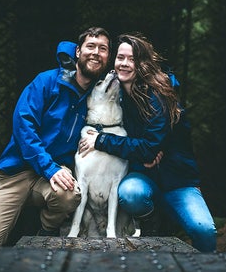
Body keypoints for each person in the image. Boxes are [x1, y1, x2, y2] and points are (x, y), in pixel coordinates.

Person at [0, 27, 111, 248]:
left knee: (69, 195)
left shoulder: (100, 95)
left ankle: (43, 234)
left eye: (103, 49)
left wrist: (153, 147)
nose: (96, 53)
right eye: (90, 46)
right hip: (15, 172)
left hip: (51, 177)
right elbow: (23, 125)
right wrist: (49, 167)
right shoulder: (46, 81)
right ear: (77, 52)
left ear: (107, 57)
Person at [78, 33, 217, 252]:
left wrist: (102, 140)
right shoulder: (117, 95)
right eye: (120, 57)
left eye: (131, 59)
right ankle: (152, 222)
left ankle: (206, 270)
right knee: (130, 193)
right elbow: (144, 150)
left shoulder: (159, 95)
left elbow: (149, 148)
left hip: (176, 179)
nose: (124, 64)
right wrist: (141, 153)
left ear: (143, 64)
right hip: (143, 177)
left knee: (204, 230)